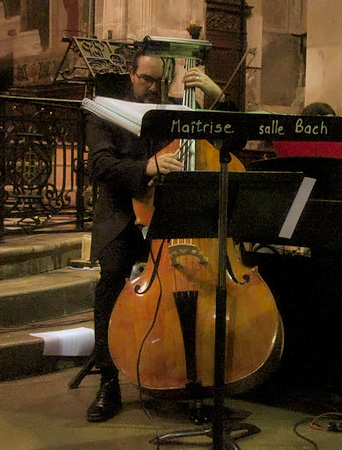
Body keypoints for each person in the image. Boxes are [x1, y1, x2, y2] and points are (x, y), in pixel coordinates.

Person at [85, 50, 229, 422]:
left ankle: (188, 370)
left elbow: (230, 141)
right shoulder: (105, 112)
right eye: (145, 79)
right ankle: (109, 381)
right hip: (121, 214)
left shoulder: (171, 114)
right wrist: (146, 167)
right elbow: (100, 164)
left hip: (165, 217)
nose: (152, 88)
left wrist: (216, 99)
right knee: (112, 275)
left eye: (158, 81)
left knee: (190, 277)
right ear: (131, 74)